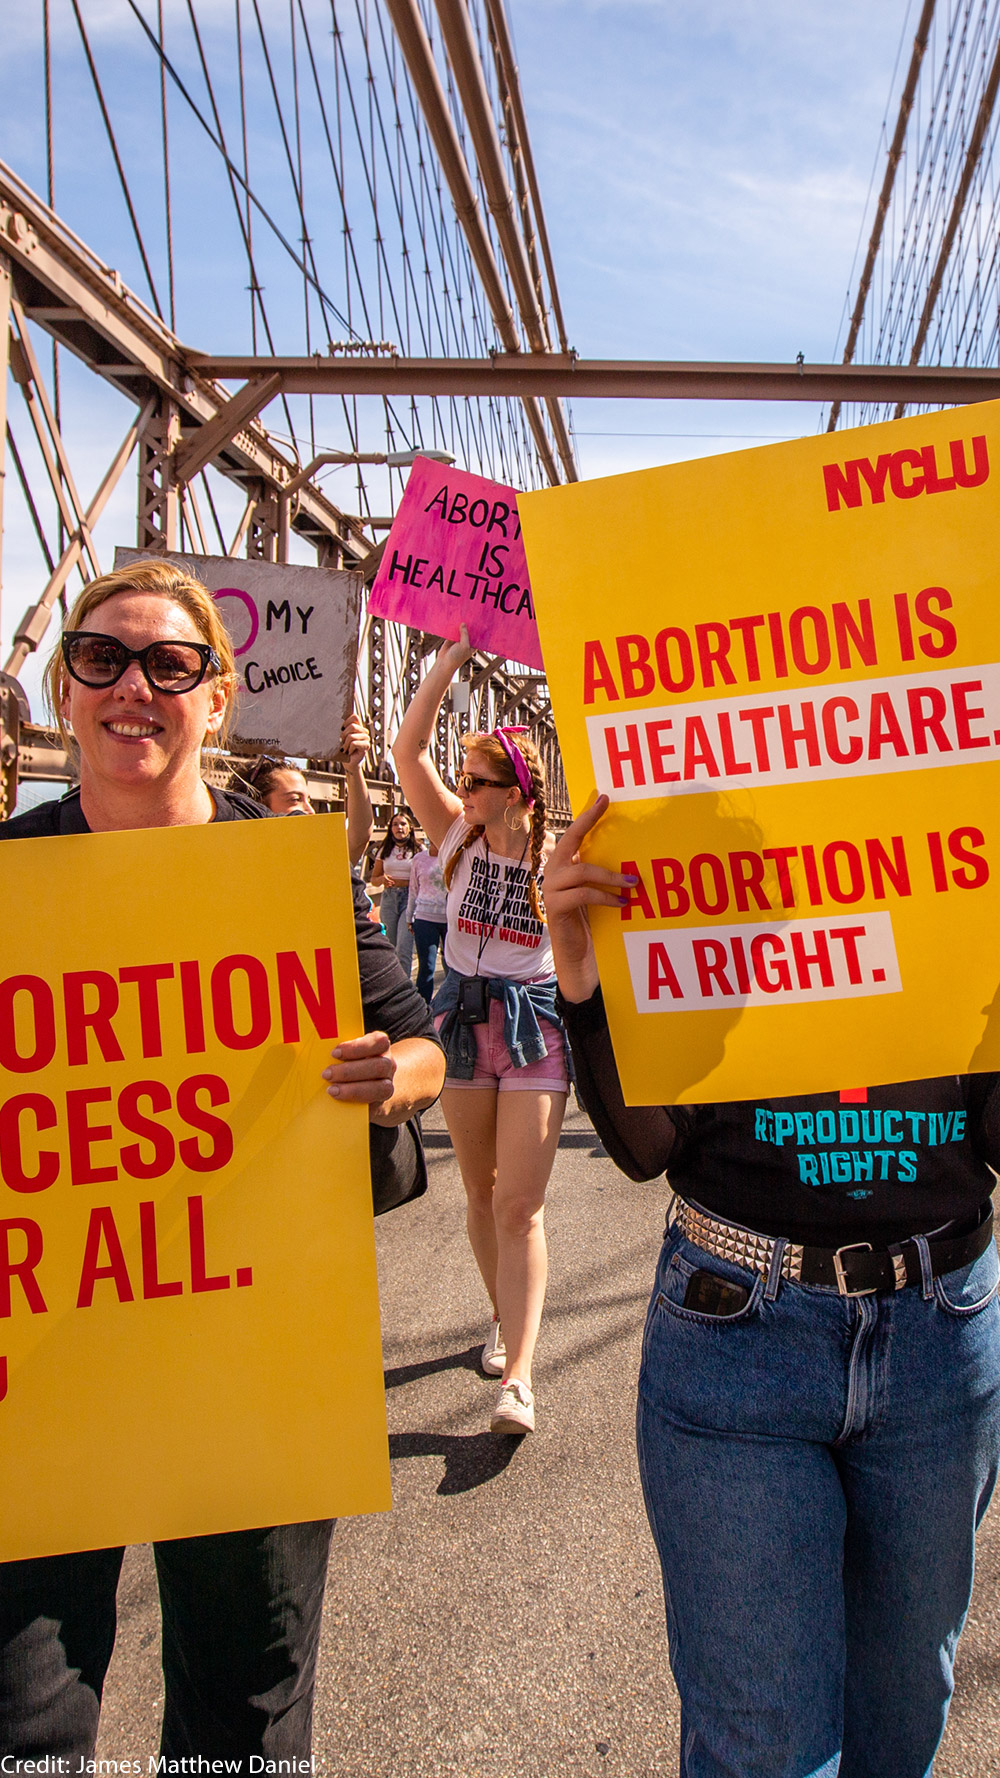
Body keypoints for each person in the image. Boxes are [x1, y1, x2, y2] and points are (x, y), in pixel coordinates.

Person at [0, 559, 445, 1764]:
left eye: (168, 664)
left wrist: (385, 1078)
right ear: (66, 682)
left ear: (218, 695)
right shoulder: (5, 877)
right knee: (21, 1715)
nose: (131, 686)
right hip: (44, 1358)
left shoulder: (287, 875)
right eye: (100, 658)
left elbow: (422, 1044)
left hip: (251, 1347)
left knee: (240, 1711)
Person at [543, 791, 1000, 1778]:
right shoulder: (713, 853)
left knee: (902, 1720)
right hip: (735, 1334)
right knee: (766, 1751)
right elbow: (645, 1144)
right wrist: (584, 983)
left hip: (938, 1332)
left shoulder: (965, 844)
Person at [393, 625, 568, 1436]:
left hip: (533, 1025)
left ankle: (520, 1378)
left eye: (478, 781)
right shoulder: (455, 839)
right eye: (463, 779)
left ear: (516, 791)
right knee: (481, 1192)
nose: (462, 792)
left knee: (521, 1207)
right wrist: (454, 657)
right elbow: (406, 747)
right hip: (463, 1019)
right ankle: (501, 1317)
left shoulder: (554, 854)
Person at [230, 715, 375, 865]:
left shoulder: (312, 858)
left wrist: (353, 768)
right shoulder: (229, 861)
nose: (311, 811)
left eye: (308, 800)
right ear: (256, 804)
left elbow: (358, 839)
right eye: (295, 799)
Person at [368, 810, 421, 975]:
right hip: (390, 899)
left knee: (403, 947)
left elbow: (425, 877)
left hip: (409, 899)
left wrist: (404, 882)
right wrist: (382, 880)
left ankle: (405, 990)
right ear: (390, 829)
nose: (399, 827)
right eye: (395, 824)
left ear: (410, 828)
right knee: (390, 946)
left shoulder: (418, 849)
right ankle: (394, 983)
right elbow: (373, 879)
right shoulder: (384, 849)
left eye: (403, 824)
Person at [406, 840, 448, 1004]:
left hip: (449, 918)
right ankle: (423, 1008)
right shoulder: (419, 859)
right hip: (424, 917)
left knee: (452, 966)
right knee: (427, 966)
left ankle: (450, 1006)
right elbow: (413, 888)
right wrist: (409, 917)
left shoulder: (455, 855)